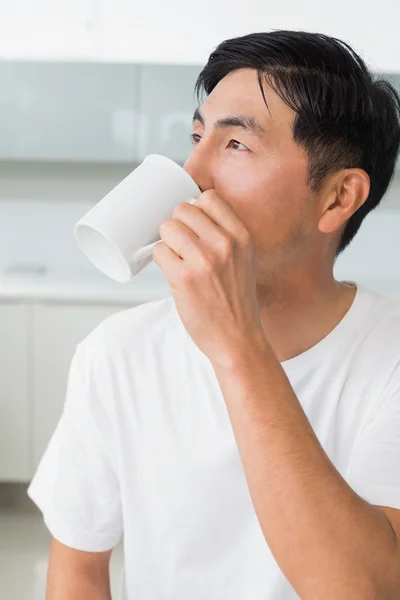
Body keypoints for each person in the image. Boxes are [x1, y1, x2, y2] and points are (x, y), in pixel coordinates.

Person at [28, 30, 400, 599]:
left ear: (337, 198)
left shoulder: (390, 360)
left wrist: (236, 346)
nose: (191, 173)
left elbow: (366, 590)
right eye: (196, 135)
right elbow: (78, 569)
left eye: (235, 145)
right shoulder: (118, 352)